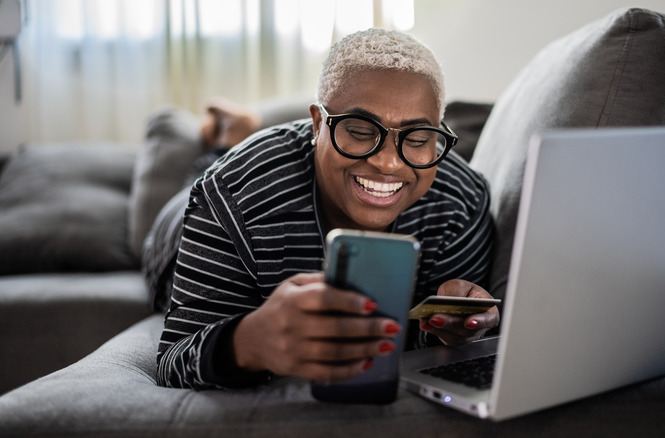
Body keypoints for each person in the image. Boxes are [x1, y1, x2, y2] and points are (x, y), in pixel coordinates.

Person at [156, 28, 498, 390]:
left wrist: (450, 331)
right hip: (174, 229)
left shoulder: (462, 202)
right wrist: (247, 342)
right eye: (361, 130)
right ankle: (225, 140)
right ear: (318, 125)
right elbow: (173, 360)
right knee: (199, 178)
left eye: (416, 138)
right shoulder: (228, 193)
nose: (388, 163)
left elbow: (435, 346)